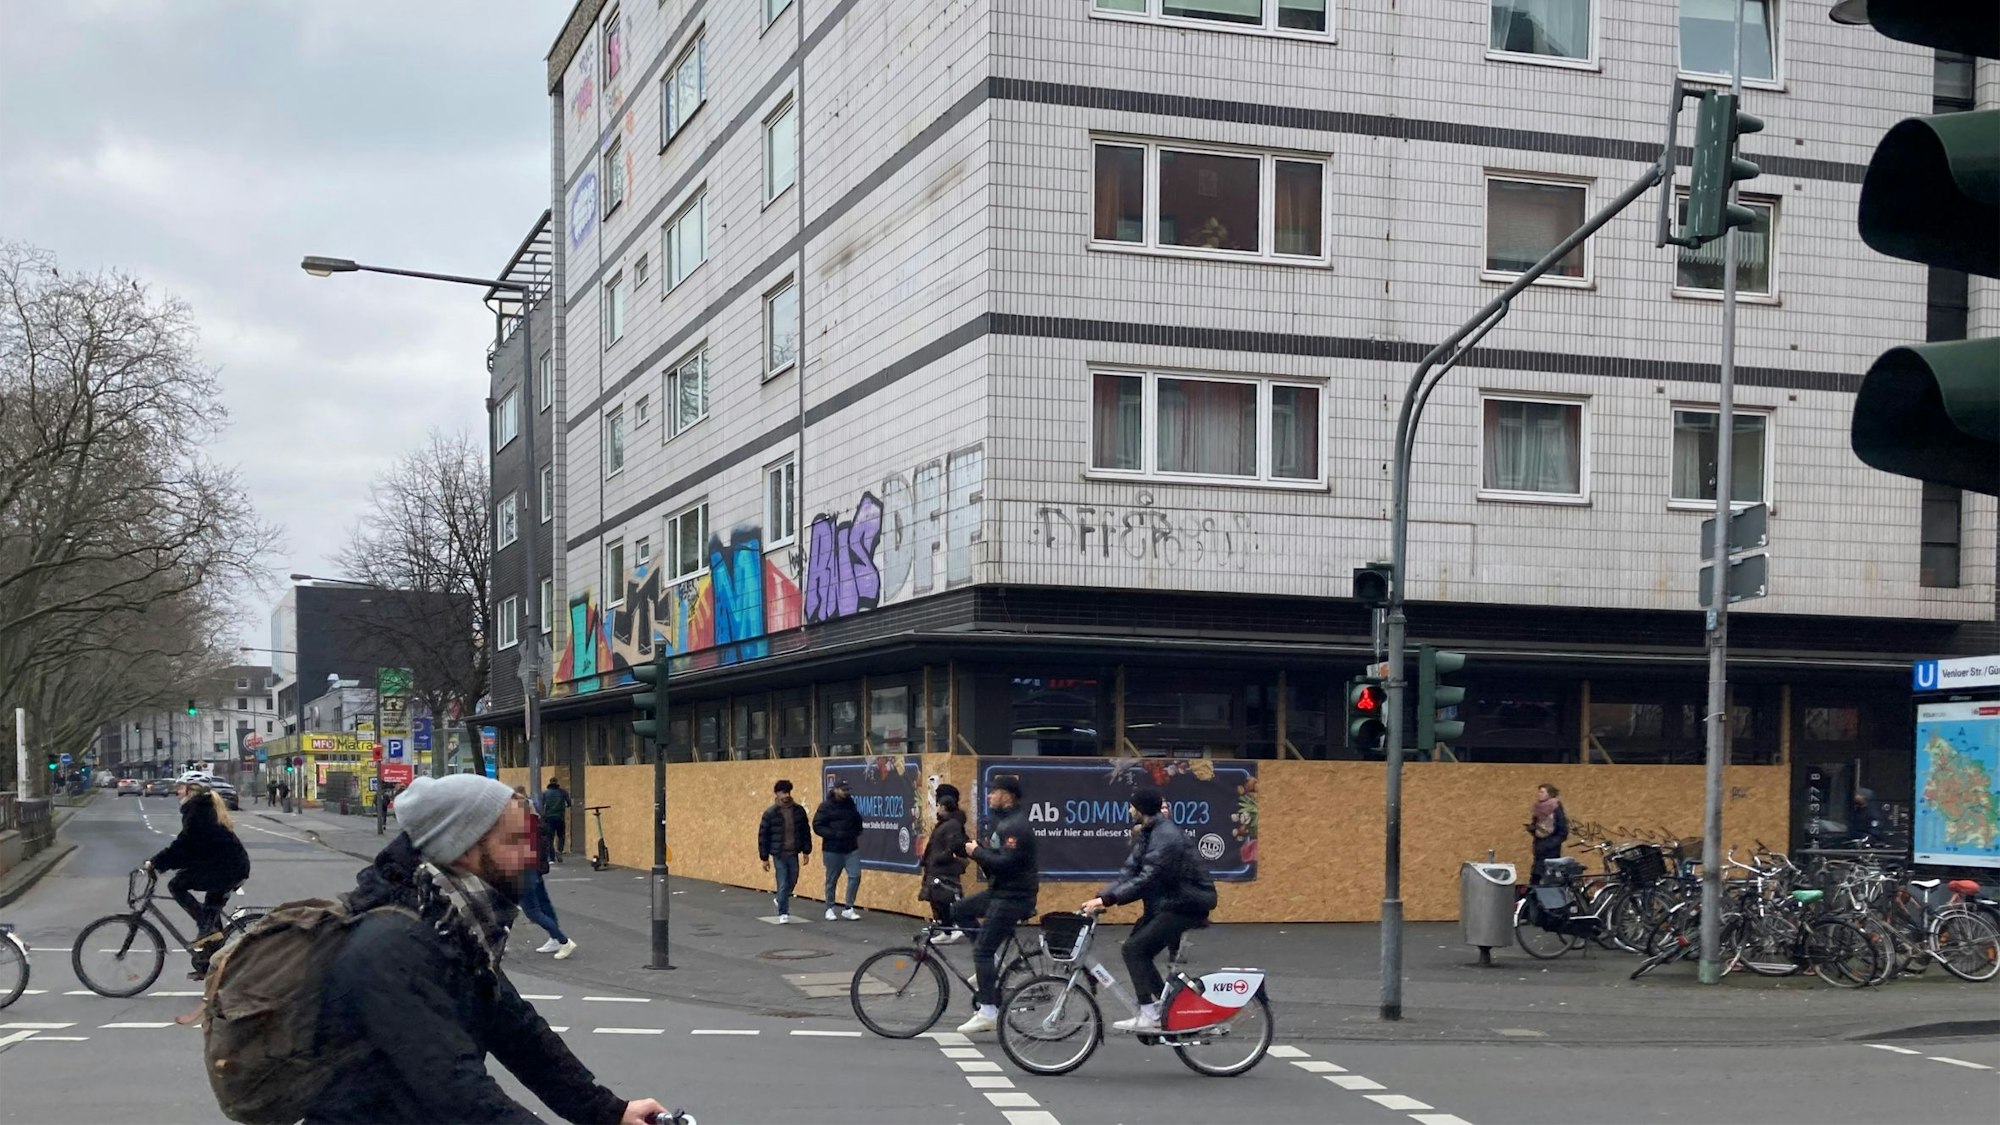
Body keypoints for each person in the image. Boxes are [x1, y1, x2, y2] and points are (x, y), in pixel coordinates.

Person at [309, 774, 669, 1125]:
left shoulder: (453, 927)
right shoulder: (394, 945)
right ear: (462, 848)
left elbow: (520, 1034)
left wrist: (609, 1112)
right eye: (514, 840)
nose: (531, 855)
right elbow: (461, 1095)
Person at [1081, 787, 1217, 1032]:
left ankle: (1151, 1012)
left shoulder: (1166, 836)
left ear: (1141, 809)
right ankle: (1169, 1006)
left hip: (1186, 904)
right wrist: (1100, 898)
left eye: (1132, 806)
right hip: (1167, 902)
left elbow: (1148, 878)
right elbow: (1129, 873)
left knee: (1134, 950)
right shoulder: (1149, 832)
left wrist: (1109, 900)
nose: (1130, 810)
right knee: (1134, 950)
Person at [952, 776, 1039, 1036]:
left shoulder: (1015, 826)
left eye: (995, 792)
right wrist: (977, 850)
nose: (989, 796)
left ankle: (988, 1011)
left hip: (1014, 897)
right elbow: (997, 861)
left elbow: (1006, 863)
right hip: (1001, 891)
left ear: (1008, 796)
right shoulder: (1003, 822)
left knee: (981, 952)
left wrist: (975, 852)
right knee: (959, 910)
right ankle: (990, 967)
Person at [144, 780, 251, 976]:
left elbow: (184, 845)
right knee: (211, 912)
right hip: (227, 866)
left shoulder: (197, 811)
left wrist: (156, 863)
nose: (177, 791)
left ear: (191, 790)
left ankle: (207, 930)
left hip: (227, 868)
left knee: (177, 884)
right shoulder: (201, 808)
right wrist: (165, 863)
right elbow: (194, 849)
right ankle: (210, 964)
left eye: (180, 787)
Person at [514, 787, 577, 958]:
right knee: (543, 903)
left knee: (532, 910)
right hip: (534, 868)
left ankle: (563, 941)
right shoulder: (534, 820)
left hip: (524, 870)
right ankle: (555, 939)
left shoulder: (520, 825)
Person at [757, 779, 813, 923]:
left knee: (793, 880)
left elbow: (805, 831)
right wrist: (764, 858)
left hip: (793, 851)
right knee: (782, 881)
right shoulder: (770, 813)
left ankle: (780, 899)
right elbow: (763, 835)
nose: (786, 795)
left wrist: (806, 851)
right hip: (779, 853)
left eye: (787, 792)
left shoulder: (798, 810)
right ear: (777, 794)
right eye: (783, 793)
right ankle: (783, 912)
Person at [919, 784, 969, 943]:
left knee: (946, 897)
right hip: (938, 865)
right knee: (938, 898)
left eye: (939, 804)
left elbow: (953, 845)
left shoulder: (952, 824)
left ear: (945, 806)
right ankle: (945, 928)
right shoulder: (946, 823)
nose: (936, 807)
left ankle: (953, 927)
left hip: (944, 867)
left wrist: (940, 857)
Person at [813, 778, 864, 921]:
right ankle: (829, 907)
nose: (846, 793)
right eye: (843, 790)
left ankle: (849, 907)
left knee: (855, 875)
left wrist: (857, 831)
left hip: (851, 846)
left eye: (847, 790)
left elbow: (857, 820)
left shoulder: (851, 804)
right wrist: (834, 834)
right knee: (832, 879)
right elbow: (817, 825)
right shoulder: (825, 806)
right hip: (832, 848)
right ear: (835, 790)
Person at [1527, 782, 1569, 884]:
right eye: (1539, 792)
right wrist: (1532, 828)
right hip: (1539, 845)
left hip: (1551, 848)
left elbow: (1562, 829)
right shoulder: (1538, 807)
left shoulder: (1555, 807)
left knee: (1549, 875)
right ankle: (1532, 897)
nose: (1539, 794)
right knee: (1536, 875)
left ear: (1549, 794)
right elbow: (1536, 824)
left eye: (1542, 792)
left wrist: (1552, 843)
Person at [540, 778, 571, 863]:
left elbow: (541, 805)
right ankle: (560, 851)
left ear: (549, 783)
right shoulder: (563, 792)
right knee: (561, 836)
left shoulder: (545, 793)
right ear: (557, 783)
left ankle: (551, 857)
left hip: (549, 818)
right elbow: (569, 803)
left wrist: (543, 816)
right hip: (560, 817)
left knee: (550, 838)